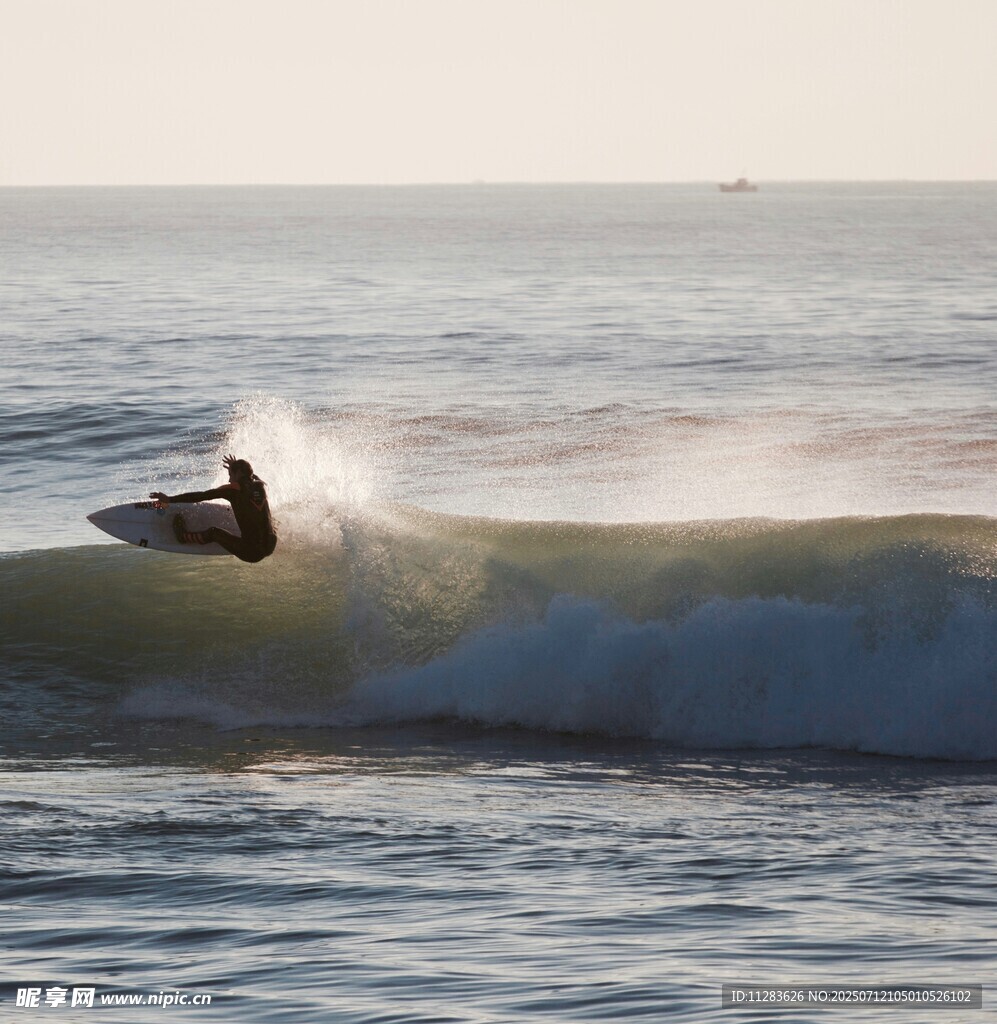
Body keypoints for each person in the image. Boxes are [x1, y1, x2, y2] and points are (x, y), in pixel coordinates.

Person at [150, 454, 277, 563]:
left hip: (252, 553)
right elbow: (250, 475)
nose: (229, 479)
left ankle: (183, 537)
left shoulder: (233, 489)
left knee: (214, 533)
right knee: (265, 516)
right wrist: (236, 466)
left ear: (238, 473)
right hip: (270, 545)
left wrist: (169, 499)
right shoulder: (260, 485)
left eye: (230, 474)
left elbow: (201, 496)